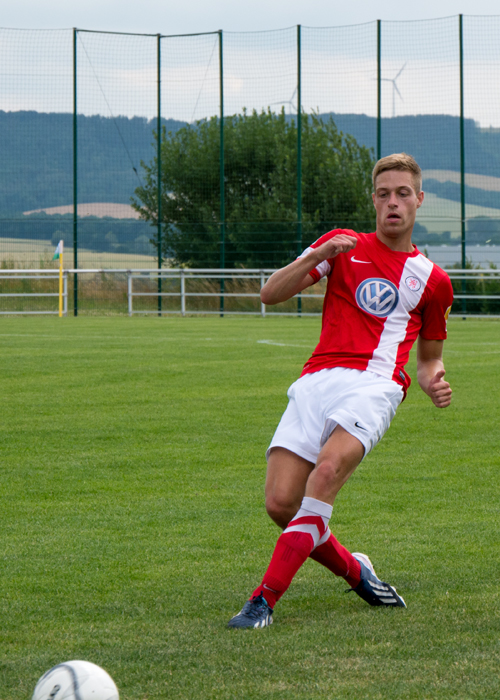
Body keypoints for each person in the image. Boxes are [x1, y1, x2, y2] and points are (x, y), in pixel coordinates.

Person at [228, 152, 454, 629]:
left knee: (325, 474)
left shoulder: (433, 281)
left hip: (376, 385)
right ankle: (358, 573)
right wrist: (316, 257)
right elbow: (270, 294)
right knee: (281, 504)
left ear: (419, 201)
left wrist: (433, 380)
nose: (392, 202)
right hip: (316, 382)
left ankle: (261, 603)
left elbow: (429, 355)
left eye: (403, 193)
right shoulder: (341, 246)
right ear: (373, 199)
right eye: (383, 193)